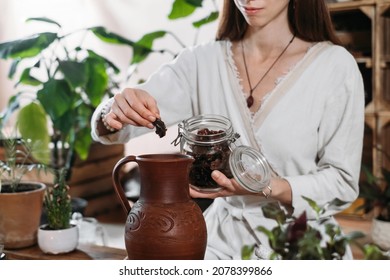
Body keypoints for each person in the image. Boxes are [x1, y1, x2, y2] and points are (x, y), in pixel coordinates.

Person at [91, 0, 365, 259]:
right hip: (218, 243)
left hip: (303, 241)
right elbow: (116, 125)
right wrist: (116, 110)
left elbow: (342, 181)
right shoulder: (200, 63)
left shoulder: (335, 66)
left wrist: (271, 187)